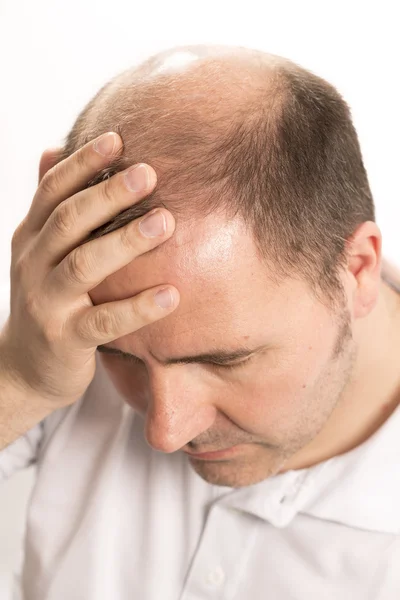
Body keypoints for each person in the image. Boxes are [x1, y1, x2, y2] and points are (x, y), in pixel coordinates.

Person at [0, 44, 399, 600]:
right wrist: (19, 381)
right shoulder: (66, 334)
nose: (165, 432)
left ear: (356, 271)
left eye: (224, 360)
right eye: (118, 357)